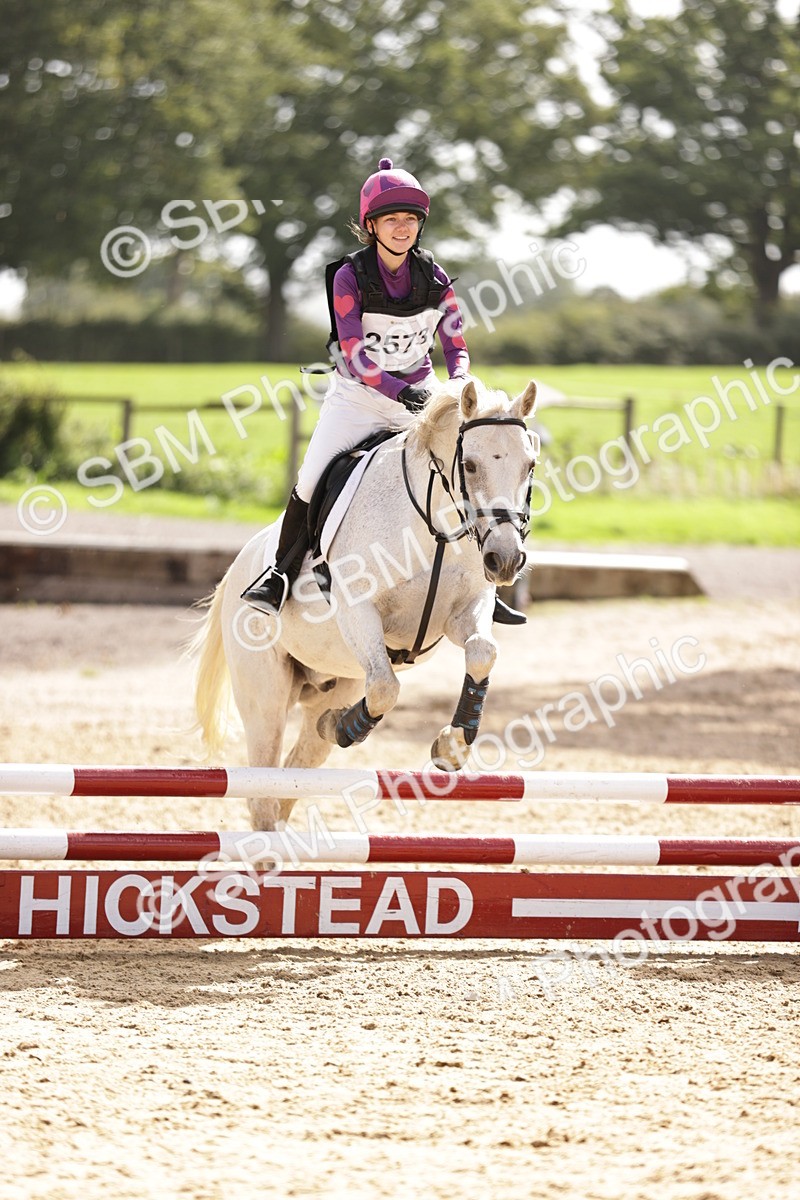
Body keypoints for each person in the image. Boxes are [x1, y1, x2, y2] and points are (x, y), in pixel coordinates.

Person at [241, 157, 525, 624]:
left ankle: (483, 587)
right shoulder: (348, 277)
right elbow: (354, 355)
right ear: (370, 225)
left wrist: (456, 386)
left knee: (462, 475)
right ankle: (279, 574)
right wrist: (402, 392)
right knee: (311, 478)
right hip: (358, 399)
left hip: (424, 395)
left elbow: (456, 346)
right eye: (391, 219)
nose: (402, 228)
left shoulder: (434, 279)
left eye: (411, 219)